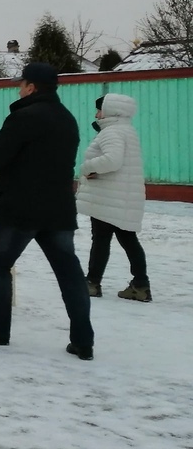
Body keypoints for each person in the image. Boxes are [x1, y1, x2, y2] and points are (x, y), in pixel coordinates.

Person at [0, 62, 95, 360]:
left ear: (31, 87)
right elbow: (34, 154)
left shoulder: (23, 116)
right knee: (69, 273)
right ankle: (83, 340)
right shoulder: (66, 118)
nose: (18, 88)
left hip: (19, 208)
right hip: (58, 208)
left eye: (21, 84)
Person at [78, 94, 149, 302]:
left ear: (111, 111)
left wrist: (87, 168)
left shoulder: (112, 132)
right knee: (128, 239)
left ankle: (92, 282)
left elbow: (113, 160)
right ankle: (141, 285)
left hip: (108, 196)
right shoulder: (127, 130)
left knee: (100, 239)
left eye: (100, 109)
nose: (97, 114)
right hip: (122, 196)